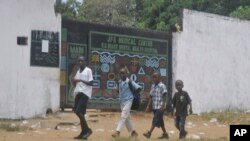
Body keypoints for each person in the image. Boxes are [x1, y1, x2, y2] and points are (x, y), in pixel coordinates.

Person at [112, 68, 140, 138]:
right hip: (122, 102)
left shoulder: (130, 82)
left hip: (129, 101)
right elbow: (117, 90)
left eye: (123, 73)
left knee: (123, 115)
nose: (122, 74)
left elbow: (139, 88)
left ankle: (117, 132)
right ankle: (133, 132)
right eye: (121, 73)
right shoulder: (119, 82)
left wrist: (134, 94)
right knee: (127, 118)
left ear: (126, 74)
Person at [72, 56, 93, 140]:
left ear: (85, 62)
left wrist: (80, 80)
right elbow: (76, 83)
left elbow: (91, 82)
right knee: (79, 113)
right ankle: (83, 132)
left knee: (78, 112)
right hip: (78, 93)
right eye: (79, 61)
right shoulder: (78, 71)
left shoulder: (88, 70)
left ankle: (87, 130)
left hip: (85, 93)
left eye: (81, 61)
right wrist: (74, 81)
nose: (80, 62)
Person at [143, 72, 169, 139]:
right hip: (155, 106)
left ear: (159, 78)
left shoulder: (162, 86)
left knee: (155, 119)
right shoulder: (153, 85)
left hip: (160, 107)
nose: (154, 78)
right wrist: (148, 106)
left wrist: (163, 105)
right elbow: (151, 96)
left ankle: (149, 133)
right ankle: (165, 134)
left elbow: (164, 96)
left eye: (155, 77)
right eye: (153, 77)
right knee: (160, 121)